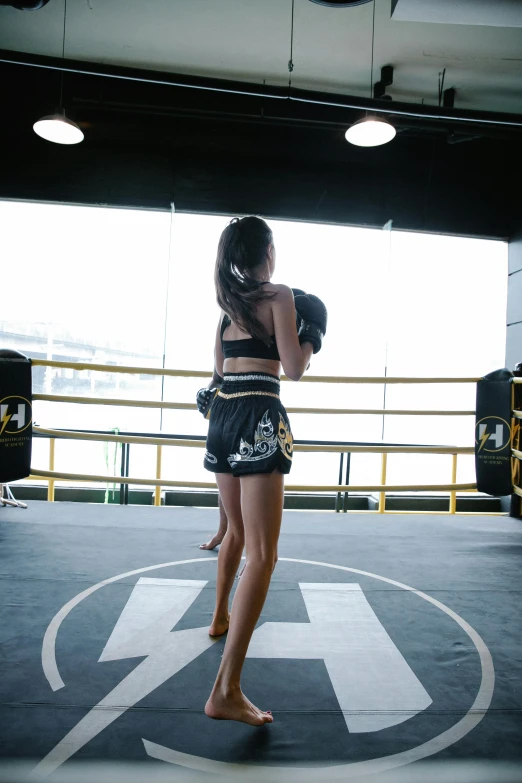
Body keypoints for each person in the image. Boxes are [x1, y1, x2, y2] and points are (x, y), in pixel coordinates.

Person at [202, 215, 327, 726]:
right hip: (257, 413)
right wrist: (312, 338)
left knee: (235, 531)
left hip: (222, 414)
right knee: (264, 556)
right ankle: (225, 690)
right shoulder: (280, 298)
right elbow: (293, 369)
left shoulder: (226, 307)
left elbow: (216, 370)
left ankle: (218, 617)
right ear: (268, 252)